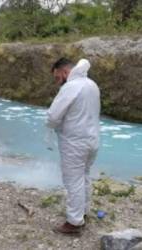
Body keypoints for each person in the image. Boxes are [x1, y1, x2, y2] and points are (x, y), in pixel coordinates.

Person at [46, 58, 100, 234]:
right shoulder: (92, 84)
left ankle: (74, 223)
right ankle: (83, 212)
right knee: (84, 176)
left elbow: (54, 116)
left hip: (74, 142)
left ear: (64, 72)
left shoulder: (71, 87)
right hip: (92, 140)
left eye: (56, 77)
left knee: (73, 181)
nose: (57, 82)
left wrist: (51, 127)